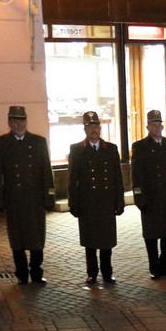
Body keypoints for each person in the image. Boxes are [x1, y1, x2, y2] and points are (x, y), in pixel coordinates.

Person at [0, 105, 56, 285]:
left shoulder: (38, 142)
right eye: (15, 120)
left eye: (22, 120)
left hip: (34, 199)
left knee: (36, 238)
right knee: (16, 239)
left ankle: (36, 272)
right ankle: (21, 273)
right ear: (9, 122)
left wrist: (49, 197)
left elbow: (46, 172)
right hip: (14, 199)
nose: (19, 124)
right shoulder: (1, 143)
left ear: (26, 121)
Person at [67, 110, 124, 286]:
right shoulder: (77, 150)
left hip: (106, 201)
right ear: (84, 129)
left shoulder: (111, 149)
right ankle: (92, 273)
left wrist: (119, 201)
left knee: (106, 240)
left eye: (96, 126)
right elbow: (72, 179)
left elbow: (117, 178)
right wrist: (73, 203)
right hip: (88, 202)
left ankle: (107, 272)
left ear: (100, 128)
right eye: (90, 126)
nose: (93, 129)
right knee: (90, 240)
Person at [131, 108, 166, 280]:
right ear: (147, 126)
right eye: (153, 123)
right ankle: (154, 267)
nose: (157, 127)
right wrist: (139, 198)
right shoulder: (140, 147)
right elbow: (136, 176)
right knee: (152, 234)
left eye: (159, 123)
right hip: (150, 198)